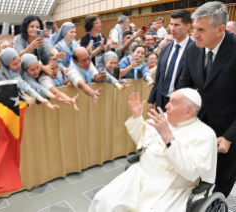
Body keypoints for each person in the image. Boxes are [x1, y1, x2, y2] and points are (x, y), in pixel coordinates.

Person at [88, 89, 217, 212]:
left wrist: (168, 138)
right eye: (169, 101)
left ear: (188, 111)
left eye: (173, 103)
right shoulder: (163, 117)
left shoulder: (205, 134)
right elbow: (141, 138)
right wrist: (137, 116)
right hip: (138, 176)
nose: (166, 106)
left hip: (170, 188)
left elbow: (192, 173)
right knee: (103, 201)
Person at [176, 2, 236, 198]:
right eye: (194, 28)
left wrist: (229, 137)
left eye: (201, 30)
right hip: (197, 132)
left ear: (220, 30)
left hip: (227, 137)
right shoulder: (193, 49)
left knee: (220, 188)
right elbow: (183, 87)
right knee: (194, 183)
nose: (194, 35)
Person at [148, 9, 193, 112]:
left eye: (177, 25)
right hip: (161, 102)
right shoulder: (165, 48)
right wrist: (152, 99)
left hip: (181, 105)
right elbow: (159, 77)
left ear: (187, 26)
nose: (172, 28)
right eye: (171, 24)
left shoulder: (196, 50)